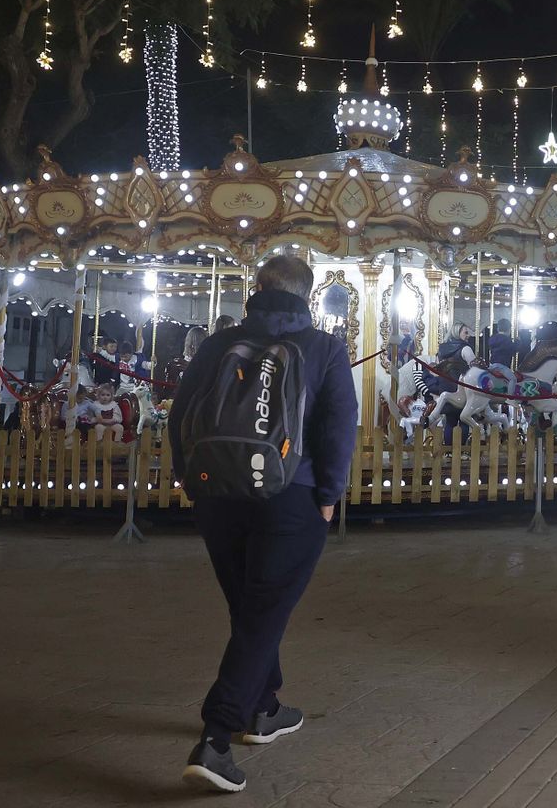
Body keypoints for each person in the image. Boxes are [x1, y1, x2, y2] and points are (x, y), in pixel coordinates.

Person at [169, 255, 358, 793]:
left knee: (250, 608)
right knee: (262, 613)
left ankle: (264, 707)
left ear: (256, 289)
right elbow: (340, 425)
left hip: (217, 496)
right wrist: (328, 496)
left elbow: (183, 415)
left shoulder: (216, 344)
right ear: (309, 294)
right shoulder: (323, 347)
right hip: (289, 495)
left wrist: (192, 482)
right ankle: (216, 738)